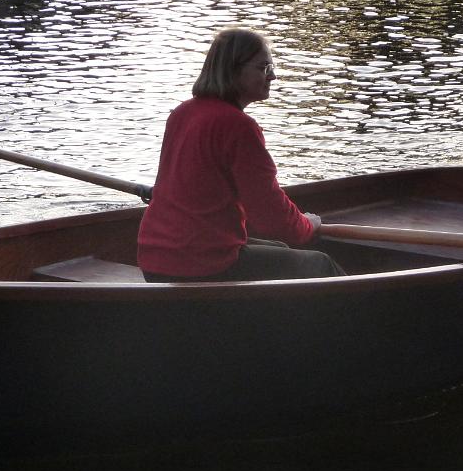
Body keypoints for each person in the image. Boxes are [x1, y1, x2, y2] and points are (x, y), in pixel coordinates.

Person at [137, 28, 345, 283]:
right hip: (200, 263)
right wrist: (307, 226)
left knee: (280, 250)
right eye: (264, 68)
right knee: (319, 264)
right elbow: (269, 213)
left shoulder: (182, 113)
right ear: (233, 70)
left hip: (154, 257)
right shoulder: (238, 126)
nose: (273, 76)